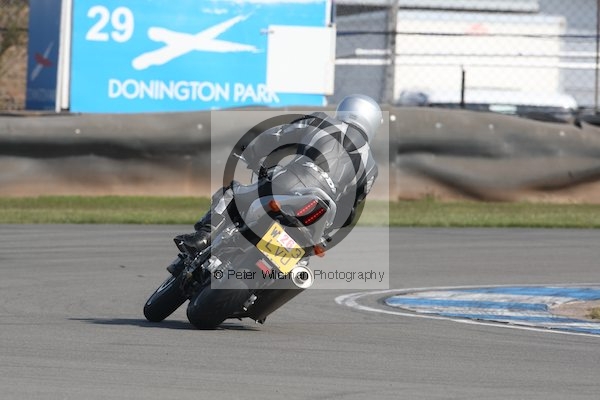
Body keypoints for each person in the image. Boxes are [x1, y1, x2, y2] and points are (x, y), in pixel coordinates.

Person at [169, 94, 382, 273]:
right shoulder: (371, 168)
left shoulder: (321, 121)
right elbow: (349, 212)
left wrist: (253, 152)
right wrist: (327, 228)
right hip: (321, 211)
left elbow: (278, 136)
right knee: (304, 256)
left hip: (291, 182)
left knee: (232, 193)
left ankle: (204, 237)